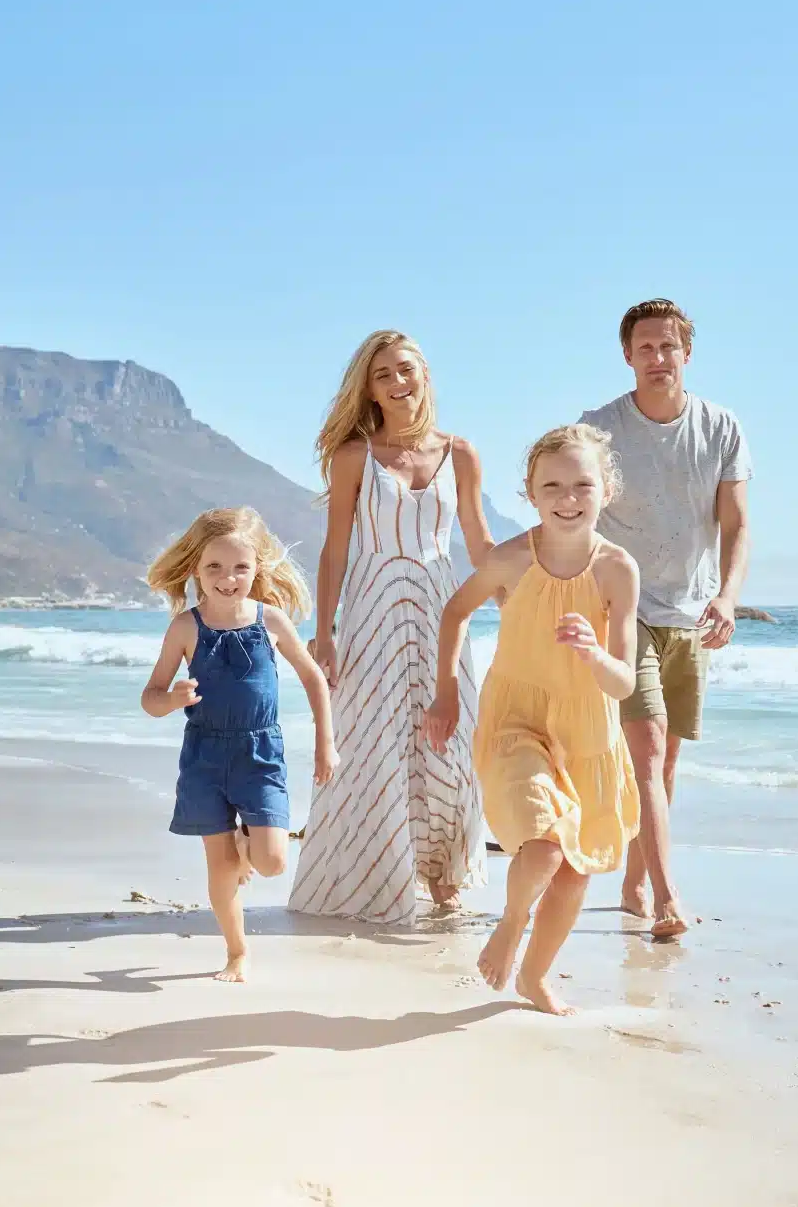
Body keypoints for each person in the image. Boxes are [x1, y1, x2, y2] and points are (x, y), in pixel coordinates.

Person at [425, 424, 641, 1016]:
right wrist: (446, 692)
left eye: (582, 485)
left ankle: (535, 977)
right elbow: (455, 613)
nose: (567, 498)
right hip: (516, 720)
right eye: (552, 485)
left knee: (576, 872)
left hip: (588, 731)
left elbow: (623, 680)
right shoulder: (511, 561)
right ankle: (511, 923)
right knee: (544, 846)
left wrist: (595, 655)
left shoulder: (618, 570)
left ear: (606, 491)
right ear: (530, 492)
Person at [289, 331, 493, 924]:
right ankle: (382, 874)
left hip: (439, 608)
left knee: (452, 738)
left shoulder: (461, 454)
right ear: (369, 389)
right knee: (376, 741)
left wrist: (532, 580)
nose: (398, 382)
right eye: (383, 375)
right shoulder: (354, 456)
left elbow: (478, 541)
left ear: (424, 373)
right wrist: (324, 633)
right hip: (373, 607)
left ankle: (443, 872)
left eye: (406, 369)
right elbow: (334, 552)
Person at [580, 299, 751, 941]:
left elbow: (735, 525)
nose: (657, 358)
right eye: (645, 347)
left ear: (686, 353)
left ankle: (633, 880)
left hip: (690, 612)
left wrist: (728, 597)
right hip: (625, 610)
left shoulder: (720, 427)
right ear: (628, 356)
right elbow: (571, 508)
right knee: (647, 753)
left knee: (665, 761)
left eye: (668, 346)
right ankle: (666, 896)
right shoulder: (599, 431)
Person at [141, 507, 337, 983]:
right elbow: (150, 698)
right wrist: (172, 699)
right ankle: (236, 953)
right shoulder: (186, 628)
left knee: (270, 862)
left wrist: (324, 744)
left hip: (259, 753)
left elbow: (313, 677)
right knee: (222, 866)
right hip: (205, 757)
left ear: (258, 569)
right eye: (215, 568)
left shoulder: (270, 621)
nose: (228, 579)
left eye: (240, 568)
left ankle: (246, 841)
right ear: (195, 570)